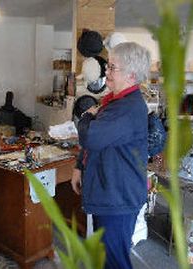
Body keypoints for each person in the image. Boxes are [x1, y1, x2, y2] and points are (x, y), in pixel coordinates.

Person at [71, 42, 150, 269]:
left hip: (118, 198)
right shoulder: (113, 101)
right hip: (110, 193)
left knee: (114, 261)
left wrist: (86, 116)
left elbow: (91, 137)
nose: (107, 72)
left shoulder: (127, 108)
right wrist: (79, 166)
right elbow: (97, 143)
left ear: (131, 75)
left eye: (112, 67)